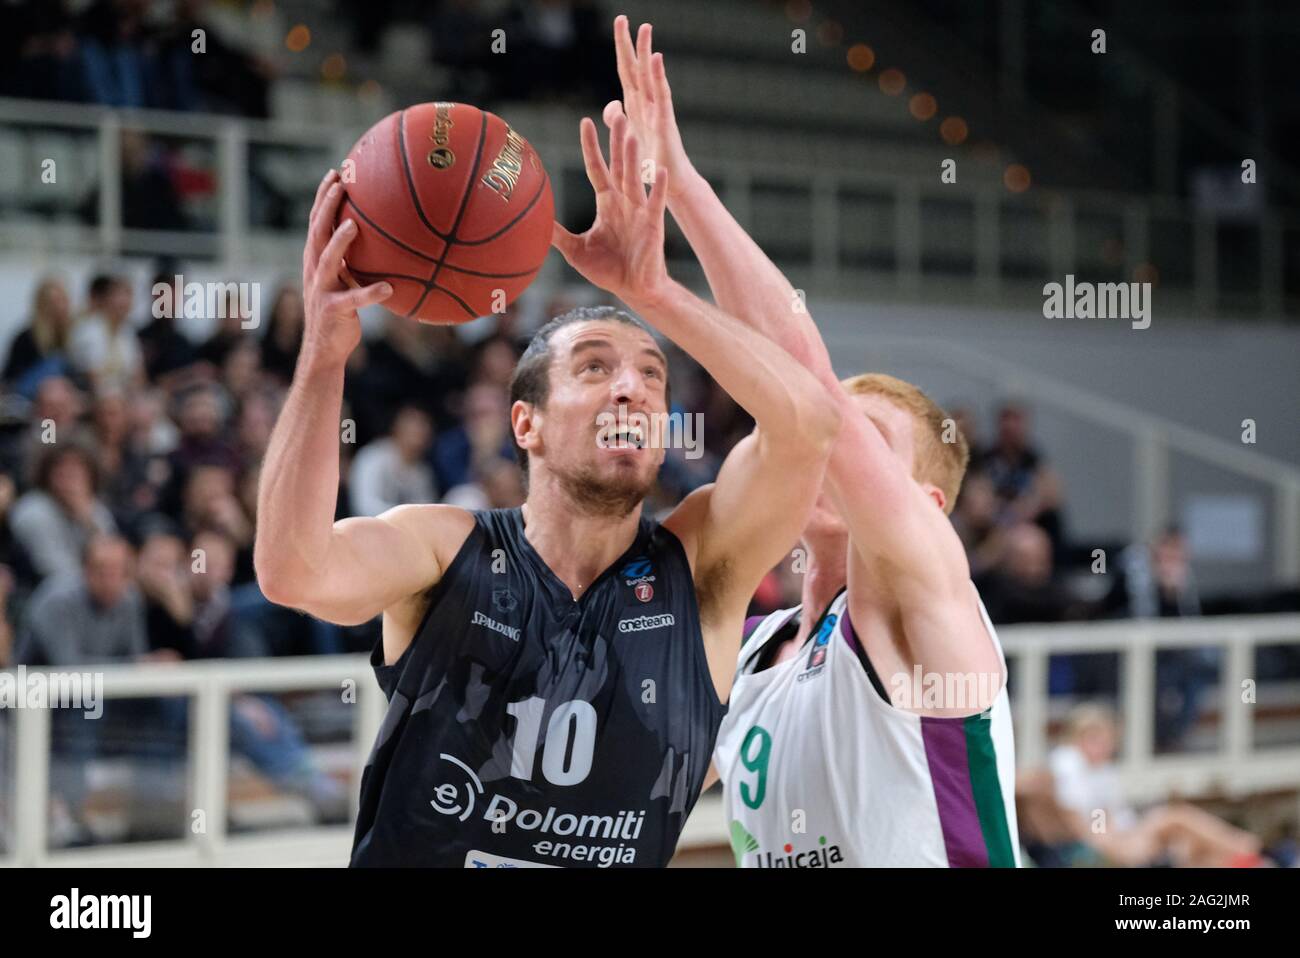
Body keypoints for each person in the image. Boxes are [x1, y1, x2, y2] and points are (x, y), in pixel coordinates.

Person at [254, 111, 840, 867]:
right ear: (524, 424)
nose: (630, 388)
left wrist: (654, 291)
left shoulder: (700, 568)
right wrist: (324, 357)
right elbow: (292, 569)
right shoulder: (443, 551)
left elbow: (810, 426)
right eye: (595, 367)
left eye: (652, 376)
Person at [605, 17, 1016, 866]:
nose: (826, 446)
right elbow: (621, 785)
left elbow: (804, 385)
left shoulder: (918, 601)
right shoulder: (752, 648)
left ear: (929, 510)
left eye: (864, 442)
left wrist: (678, 192)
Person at [1048, 704, 1264, 867]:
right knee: (1175, 817)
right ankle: (1246, 848)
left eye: (1107, 740)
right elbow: (1081, 824)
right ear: (1076, 736)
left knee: (1192, 848)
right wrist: (1115, 843)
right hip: (1104, 847)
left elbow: (1109, 815)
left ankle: (1246, 857)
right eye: (1095, 739)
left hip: (1122, 836)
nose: (1104, 746)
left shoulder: (1102, 770)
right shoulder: (1068, 763)